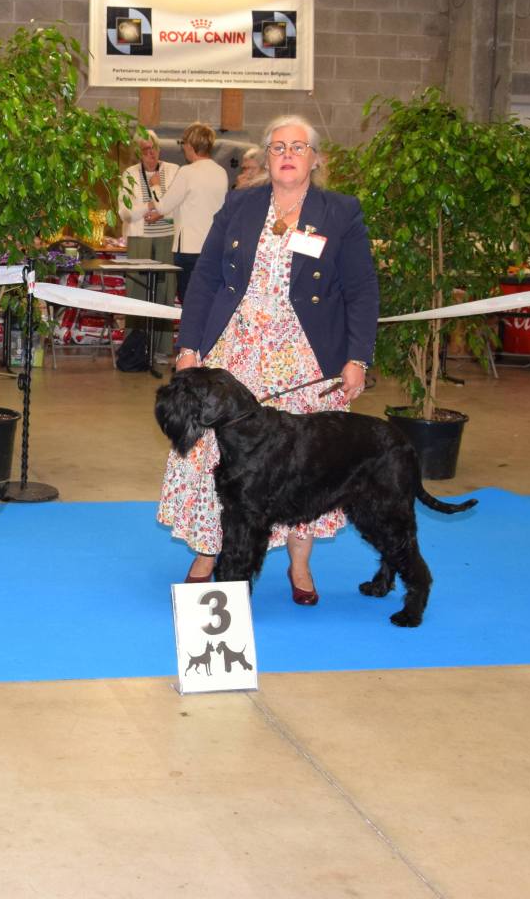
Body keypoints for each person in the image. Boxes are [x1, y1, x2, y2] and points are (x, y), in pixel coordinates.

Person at [156, 114, 379, 603]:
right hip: (235, 352)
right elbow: (206, 278)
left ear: (315, 158)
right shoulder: (240, 204)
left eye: (298, 147)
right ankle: (208, 550)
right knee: (212, 454)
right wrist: (189, 348)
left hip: (306, 360)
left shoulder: (341, 212)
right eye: (278, 147)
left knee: (304, 464)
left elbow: (362, 290)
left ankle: (300, 563)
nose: (287, 155)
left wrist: (357, 358)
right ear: (266, 157)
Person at [146, 122, 230, 307]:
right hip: (213, 247)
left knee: (189, 301)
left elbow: (163, 206)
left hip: (188, 249)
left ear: (190, 146)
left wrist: (155, 186)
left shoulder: (187, 172)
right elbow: (195, 207)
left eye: (183, 143)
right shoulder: (221, 172)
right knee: (208, 300)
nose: (183, 147)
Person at [118, 131, 179, 359]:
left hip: (167, 238)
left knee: (165, 291)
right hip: (139, 239)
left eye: (154, 148)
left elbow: (176, 206)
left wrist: (156, 193)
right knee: (137, 291)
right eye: (145, 150)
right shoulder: (129, 174)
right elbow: (126, 212)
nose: (150, 153)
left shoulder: (173, 170)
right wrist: (151, 206)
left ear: (159, 149)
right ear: (138, 153)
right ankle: (135, 349)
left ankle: (162, 349)